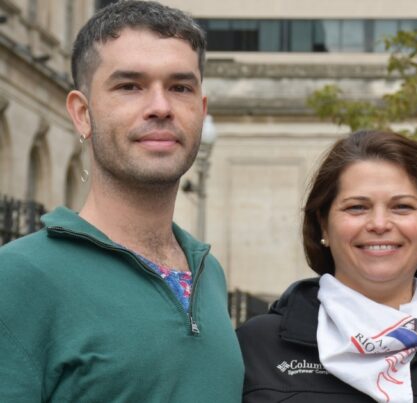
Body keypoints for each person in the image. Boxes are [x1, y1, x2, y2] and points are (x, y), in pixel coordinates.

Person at [0, 1, 243, 402]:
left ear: (201, 111)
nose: (161, 107)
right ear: (82, 114)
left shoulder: (208, 273)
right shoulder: (18, 279)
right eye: (129, 86)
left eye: (180, 87)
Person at [237, 130, 417, 402]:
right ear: (324, 224)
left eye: (402, 207)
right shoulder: (256, 347)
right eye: (357, 207)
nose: (379, 224)